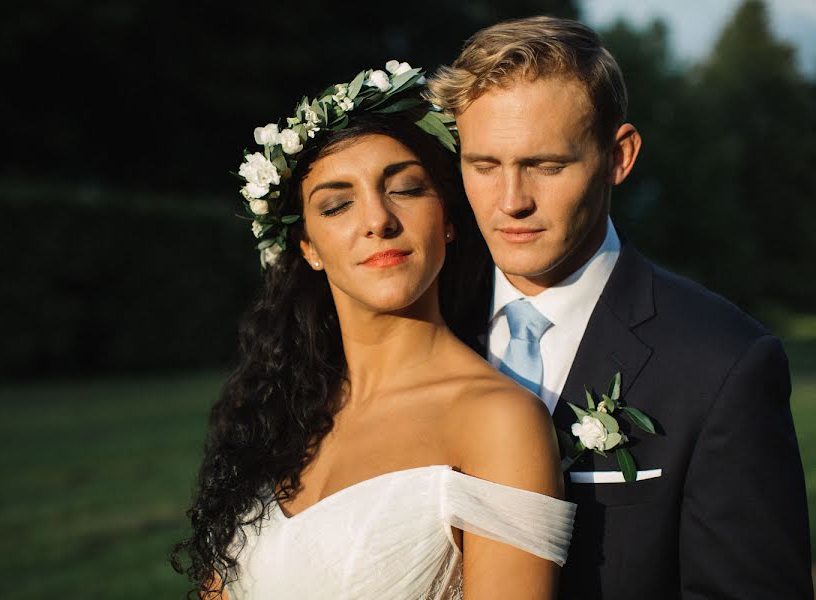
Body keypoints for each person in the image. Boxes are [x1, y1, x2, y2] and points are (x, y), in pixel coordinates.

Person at [427, 16, 812, 600]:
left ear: (619, 157)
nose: (512, 201)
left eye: (546, 165)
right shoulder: (421, 324)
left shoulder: (724, 365)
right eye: (484, 165)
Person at [172, 63, 575, 599]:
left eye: (405, 189)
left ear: (448, 220)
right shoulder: (277, 411)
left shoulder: (499, 421)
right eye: (337, 204)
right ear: (309, 248)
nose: (377, 219)